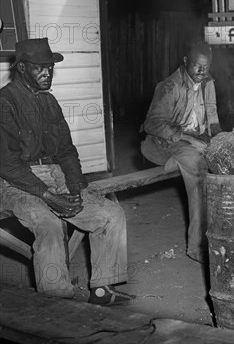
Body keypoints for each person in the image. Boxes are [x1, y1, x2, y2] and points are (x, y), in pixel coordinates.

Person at [0, 38, 134, 305]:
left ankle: (101, 290)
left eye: (50, 67)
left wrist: (76, 187)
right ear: (22, 68)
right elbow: (8, 164)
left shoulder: (49, 102)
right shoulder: (5, 102)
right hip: (14, 182)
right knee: (48, 224)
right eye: (40, 67)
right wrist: (49, 197)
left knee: (110, 214)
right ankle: (57, 304)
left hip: (55, 175)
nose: (47, 72)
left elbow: (66, 151)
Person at [141, 39, 221, 262]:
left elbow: (213, 119)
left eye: (206, 67)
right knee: (197, 167)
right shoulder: (169, 86)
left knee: (223, 163)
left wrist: (220, 140)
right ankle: (196, 247)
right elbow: (152, 124)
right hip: (164, 144)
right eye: (197, 66)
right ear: (186, 61)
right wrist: (188, 139)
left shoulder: (208, 83)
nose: (201, 71)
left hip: (194, 140)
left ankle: (221, 238)